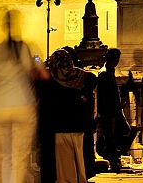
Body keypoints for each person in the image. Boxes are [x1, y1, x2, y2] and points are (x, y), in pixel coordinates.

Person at [0, 8, 44, 183]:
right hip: (22, 106)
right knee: (20, 157)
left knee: (4, 154)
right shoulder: (25, 47)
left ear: (2, 26)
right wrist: (37, 58)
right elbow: (38, 73)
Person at [39, 47, 96, 183]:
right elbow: (92, 81)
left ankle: (68, 180)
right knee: (79, 157)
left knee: (64, 162)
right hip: (79, 125)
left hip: (59, 126)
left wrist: (44, 64)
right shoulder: (83, 77)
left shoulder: (51, 80)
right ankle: (81, 179)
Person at [95, 49, 133, 172]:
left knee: (124, 130)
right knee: (110, 135)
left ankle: (115, 155)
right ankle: (113, 158)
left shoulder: (110, 71)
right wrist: (105, 111)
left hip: (115, 109)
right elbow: (103, 95)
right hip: (109, 110)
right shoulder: (104, 73)